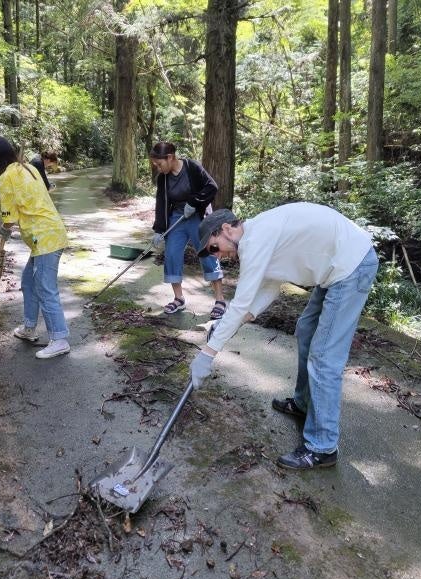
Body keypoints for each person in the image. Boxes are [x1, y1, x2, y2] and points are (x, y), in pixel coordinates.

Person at [188, 203, 378, 470]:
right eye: (211, 253)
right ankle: (303, 403)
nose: (216, 256)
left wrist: (208, 353)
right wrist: (239, 319)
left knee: (324, 357)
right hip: (336, 266)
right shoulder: (258, 236)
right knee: (306, 331)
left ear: (228, 228)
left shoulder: (255, 239)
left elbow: (241, 302)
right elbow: (269, 287)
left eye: (214, 248)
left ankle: (323, 447)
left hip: (351, 266)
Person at [0, 136, 71, 358]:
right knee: (29, 282)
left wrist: (5, 229)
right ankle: (29, 328)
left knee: (45, 288)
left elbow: (9, 216)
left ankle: (59, 339)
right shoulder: (28, 167)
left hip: (45, 237)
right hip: (48, 233)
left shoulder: (5, 177)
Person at [149, 142, 227, 319]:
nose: (158, 168)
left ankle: (220, 300)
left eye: (159, 164)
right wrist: (159, 229)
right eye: (155, 165)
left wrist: (194, 202)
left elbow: (211, 187)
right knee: (171, 254)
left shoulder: (192, 167)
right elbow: (161, 202)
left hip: (197, 215)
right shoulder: (163, 178)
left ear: (170, 157)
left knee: (207, 254)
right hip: (177, 217)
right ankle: (178, 298)